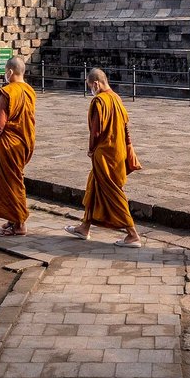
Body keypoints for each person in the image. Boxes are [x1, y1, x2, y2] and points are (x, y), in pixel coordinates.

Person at [64, 67, 141, 247]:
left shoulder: (100, 101)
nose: (91, 89)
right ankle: (84, 227)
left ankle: (133, 234)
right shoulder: (116, 98)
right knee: (94, 187)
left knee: (113, 192)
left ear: (96, 84)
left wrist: (91, 149)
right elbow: (125, 128)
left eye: (91, 86)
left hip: (105, 154)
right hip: (117, 152)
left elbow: (96, 131)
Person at [0, 56, 36, 236]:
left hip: (8, 144)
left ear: (9, 72)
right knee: (14, 179)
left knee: (11, 183)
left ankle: (20, 224)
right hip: (24, 142)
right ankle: (12, 217)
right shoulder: (30, 90)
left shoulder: (8, 92)